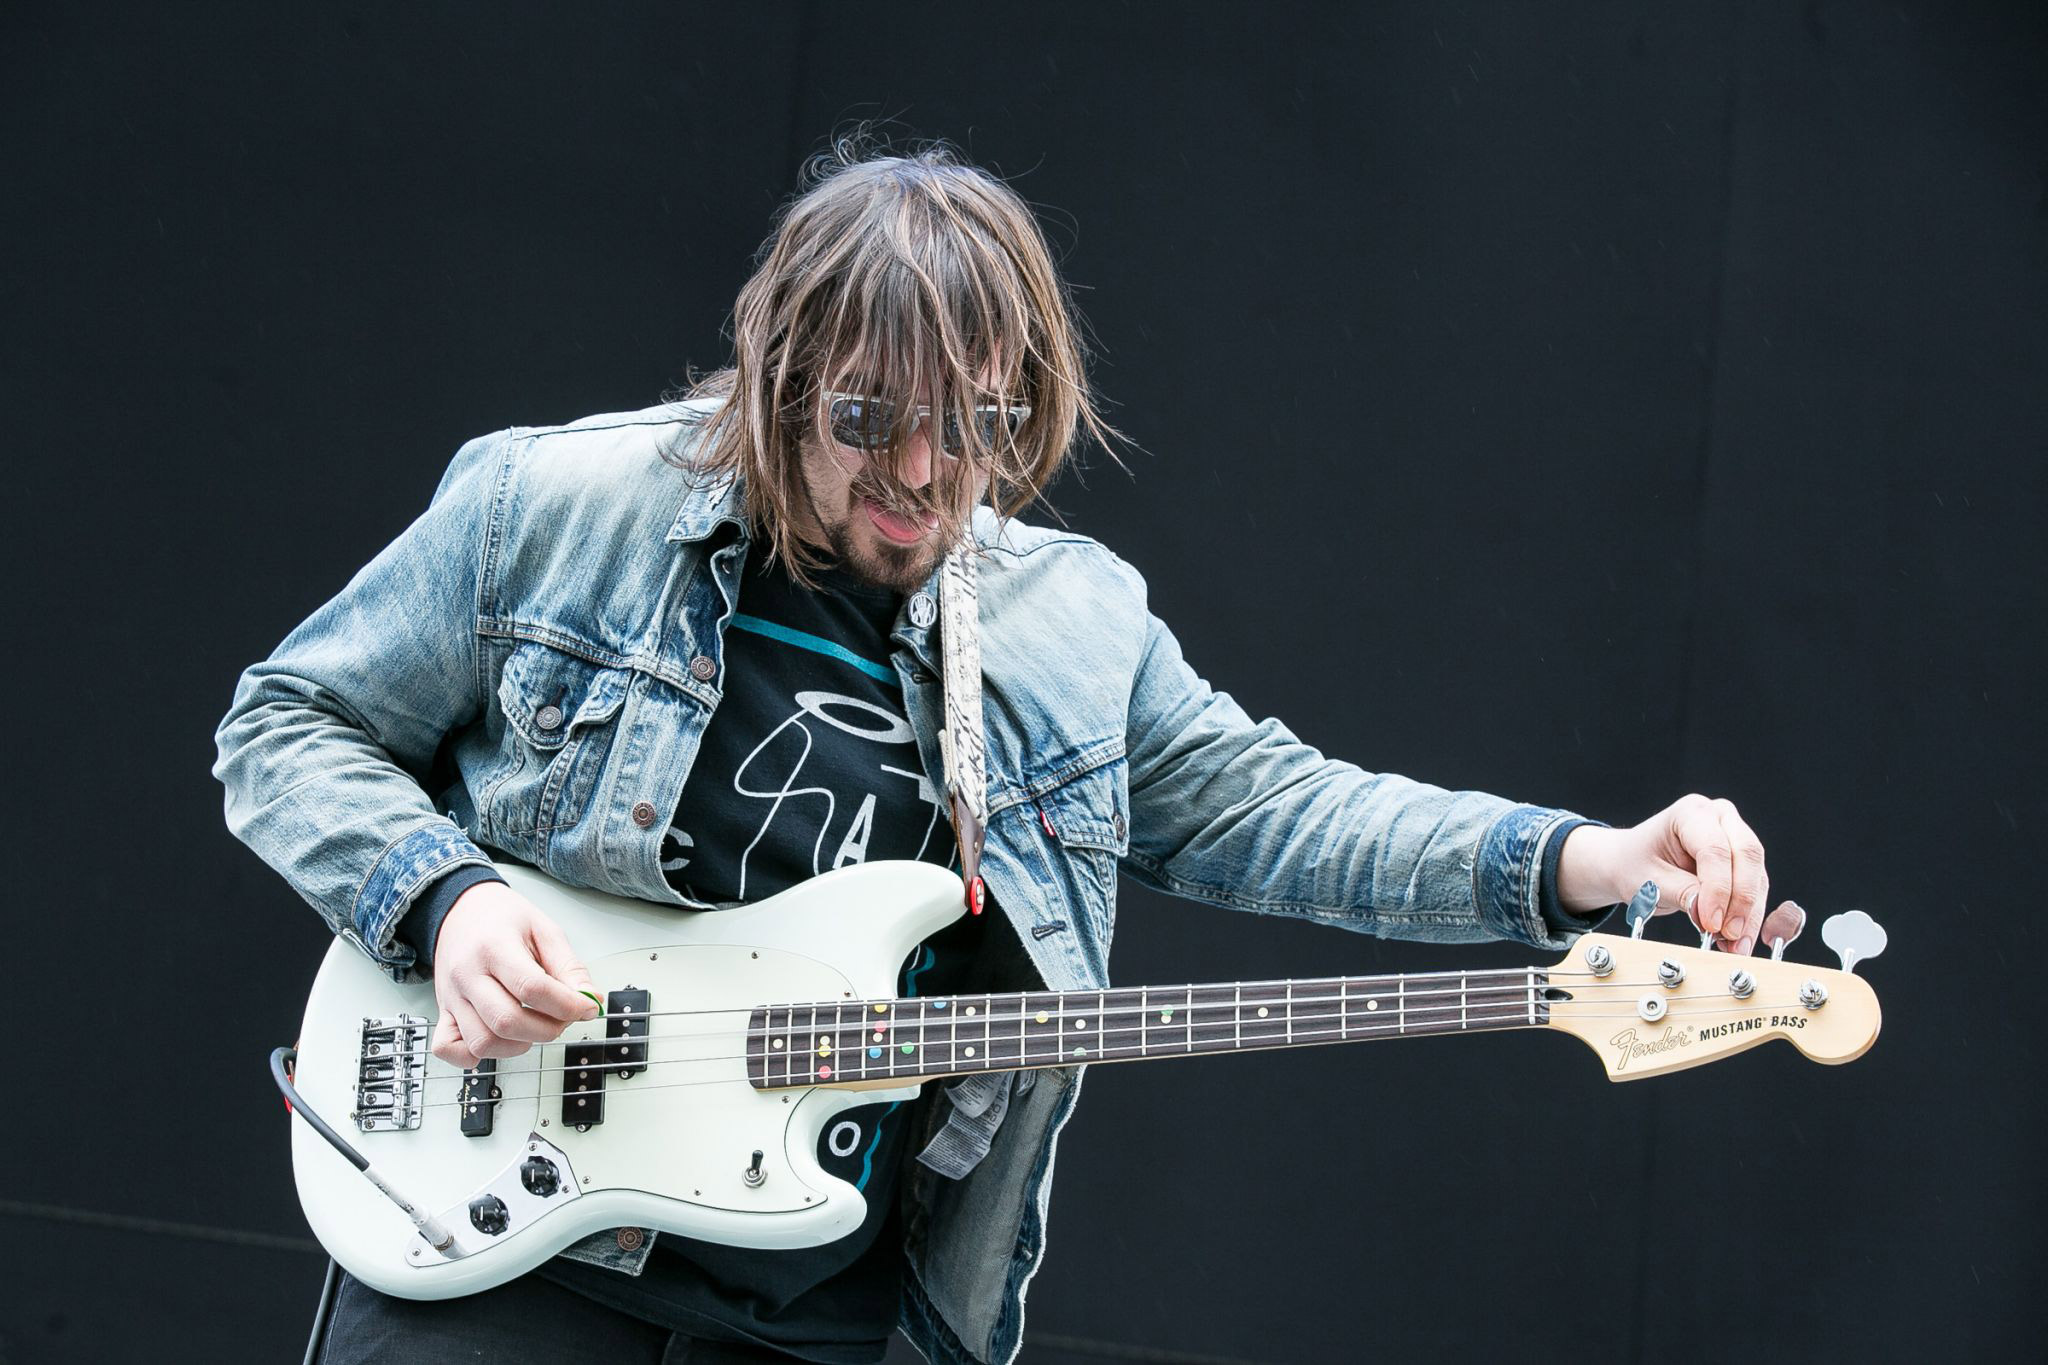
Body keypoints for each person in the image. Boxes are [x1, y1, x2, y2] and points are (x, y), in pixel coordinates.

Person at [213, 137, 1784, 1365]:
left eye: (970, 422)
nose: (921, 474)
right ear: (773, 372)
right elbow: (284, 721)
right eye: (867, 418)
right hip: (508, 1259)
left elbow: (1286, 810)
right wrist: (445, 900)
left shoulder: (1063, 628)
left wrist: (1591, 860)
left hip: (806, 1314)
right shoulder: (549, 510)